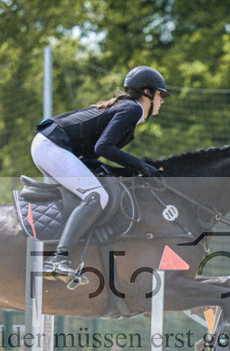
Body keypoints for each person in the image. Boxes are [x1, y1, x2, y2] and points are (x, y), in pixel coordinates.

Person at [33, 66, 170, 283]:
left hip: (52, 145)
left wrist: (131, 171)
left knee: (94, 191)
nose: (162, 101)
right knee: (97, 196)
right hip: (53, 145)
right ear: (147, 92)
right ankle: (58, 260)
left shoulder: (128, 109)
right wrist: (140, 166)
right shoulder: (132, 109)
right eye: (161, 95)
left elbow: (98, 156)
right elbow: (103, 148)